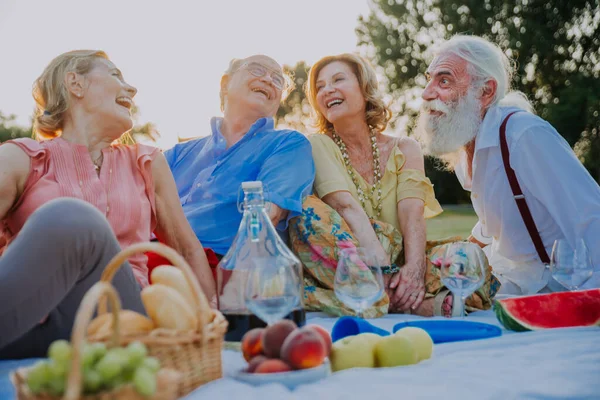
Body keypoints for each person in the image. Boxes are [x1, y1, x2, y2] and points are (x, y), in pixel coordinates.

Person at [0, 50, 214, 358]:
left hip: (119, 320)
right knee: (69, 217)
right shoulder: (22, 157)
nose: (132, 89)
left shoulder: (147, 162)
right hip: (26, 324)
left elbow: (187, 249)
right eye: (115, 75)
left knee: (72, 217)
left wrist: (208, 322)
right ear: (75, 83)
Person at [290, 53, 499, 318]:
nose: (327, 90)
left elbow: (412, 214)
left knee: (468, 258)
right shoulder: (317, 144)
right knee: (306, 212)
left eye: (338, 79)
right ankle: (405, 301)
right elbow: (345, 206)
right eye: (319, 87)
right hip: (354, 259)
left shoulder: (405, 148)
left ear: (364, 87)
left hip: (400, 258)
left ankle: (377, 298)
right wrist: (381, 269)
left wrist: (413, 270)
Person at [415, 35, 600, 295]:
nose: (426, 93)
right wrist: (466, 248)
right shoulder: (464, 146)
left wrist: (589, 304)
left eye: (444, 80)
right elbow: (499, 214)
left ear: (486, 92)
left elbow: (591, 216)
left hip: (554, 288)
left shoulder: (524, 135)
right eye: (429, 79)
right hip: (507, 281)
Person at [163, 55, 315, 264]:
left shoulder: (288, 144)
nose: (269, 80)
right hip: (143, 254)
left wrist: (232, 285)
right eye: (257, 70)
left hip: (221, 264)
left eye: (278, 80)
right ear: (226, 84)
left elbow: (265, 218)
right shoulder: (176, 154)